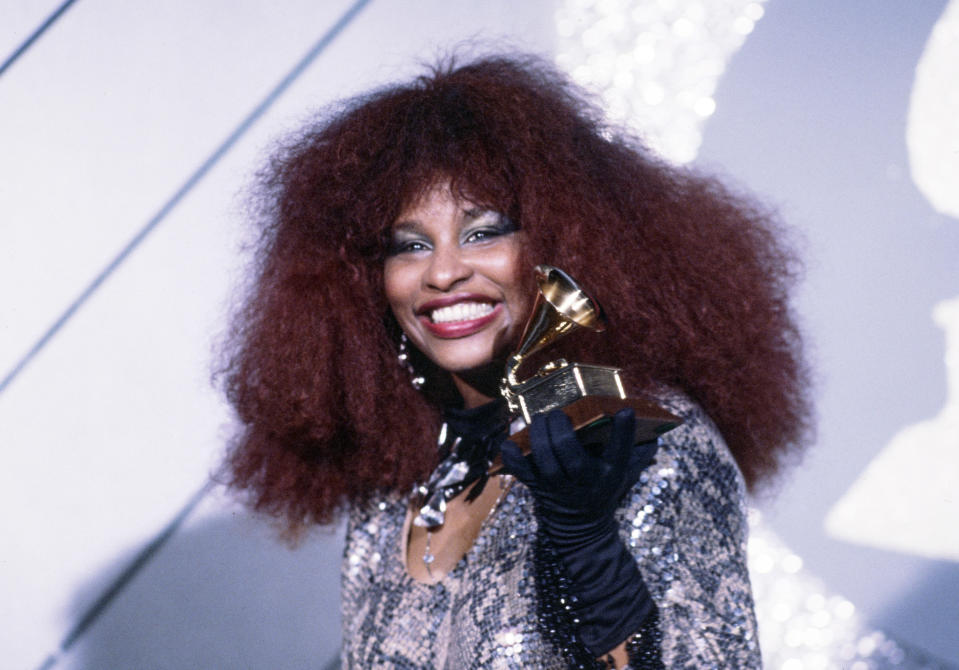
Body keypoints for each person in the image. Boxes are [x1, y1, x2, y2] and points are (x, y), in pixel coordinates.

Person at [219, 55, 811, 669]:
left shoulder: (645, 441)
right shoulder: (393, 489)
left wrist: (588, 550)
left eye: (483, 233)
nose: (444, 272)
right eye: (411, 245)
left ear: (561, 244)